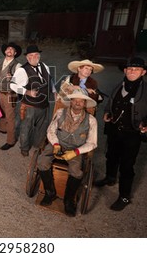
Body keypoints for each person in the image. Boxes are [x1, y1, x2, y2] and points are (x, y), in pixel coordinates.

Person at [94, 57, 147, 211]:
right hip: (114, 130)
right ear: (125, 70)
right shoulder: (118, 86)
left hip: (132, 134)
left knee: (127, 165)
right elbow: (110, 105)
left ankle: (124, 196)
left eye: (136, 69)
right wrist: (107, 113)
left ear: (143, 72)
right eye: (129, 69)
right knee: (111, 156)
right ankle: (110, 178)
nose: (132, 72)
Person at [37, 89, 98, 217]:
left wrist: (76, 152)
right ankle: (50, 192)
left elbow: (92, 143)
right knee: (42, 161)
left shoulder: (91, 120)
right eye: (75, 100)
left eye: (81, 101)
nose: (78, 103)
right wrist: (55, 144)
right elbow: (51, 130)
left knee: (76, 171)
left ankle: (69, 200)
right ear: (71, 101)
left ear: (85, 103)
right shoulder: (60, 113)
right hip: (58, 144)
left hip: (75, 149)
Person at [11, 45, 56, 156]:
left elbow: (50, 80)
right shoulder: (22, 70)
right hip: (29, 106)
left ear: (39, 56)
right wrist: (27, 92)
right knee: (26, 128)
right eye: (31, 55)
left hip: (44, 104)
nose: (34, 57)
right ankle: (24, 148)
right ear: (27, 57)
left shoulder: (44, 66)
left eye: (36, 54)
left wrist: (54, 91)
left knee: (42, 127)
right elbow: (12, 85)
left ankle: (37, 145)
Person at [0, 42, 22, 150]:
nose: (9, 50)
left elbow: (21, 81)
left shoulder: (18, 65)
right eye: (8, 49)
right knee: (2, 112)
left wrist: (13, 78)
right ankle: (2, 129)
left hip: (10, 94)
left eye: (12, 49)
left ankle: (10, 141)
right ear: (5, 51)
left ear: (15, 53)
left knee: (10, 117)